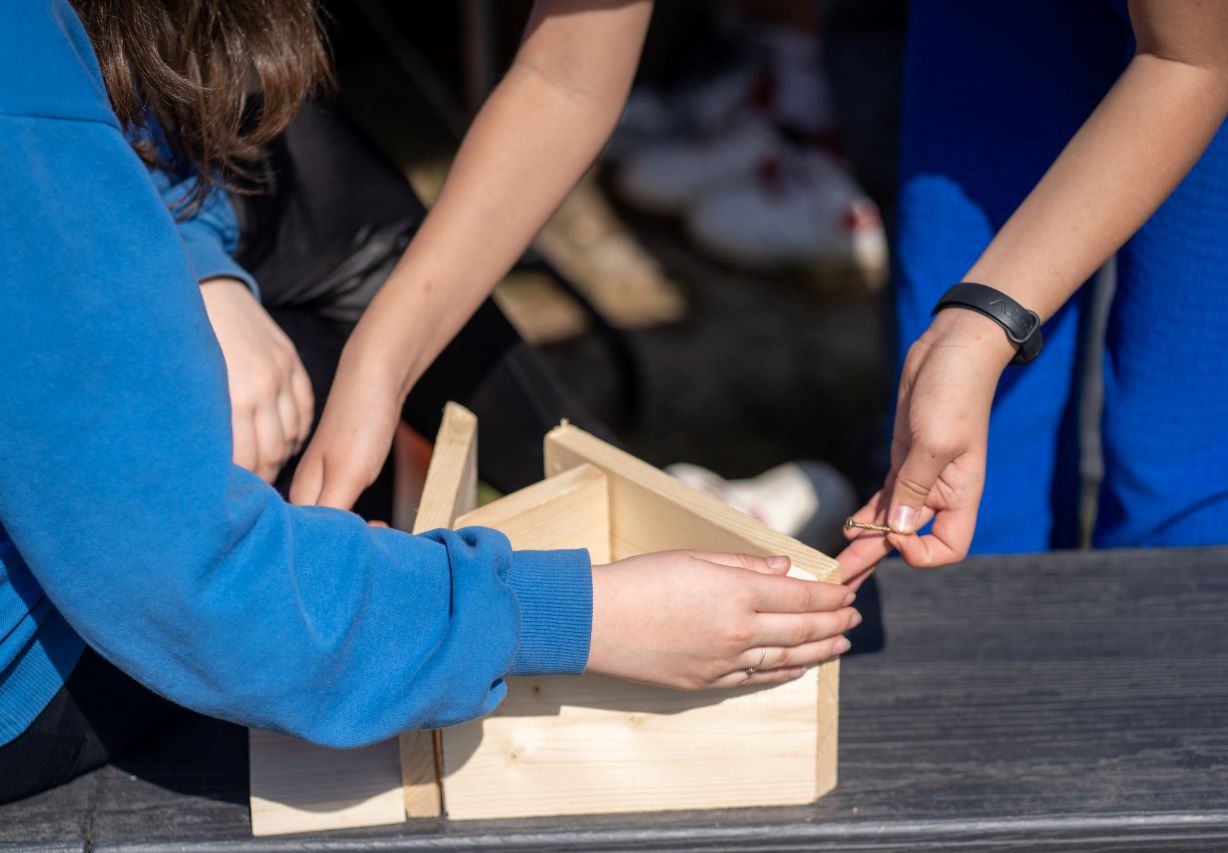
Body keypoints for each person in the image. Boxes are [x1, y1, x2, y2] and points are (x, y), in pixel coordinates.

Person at [0, 0, 857, 803]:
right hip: (53, 679)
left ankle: (610, 517)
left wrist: (244, 293)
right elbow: (202, 595)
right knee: (318, 477)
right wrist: (582, 615)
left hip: (140, 584)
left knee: (316, 283)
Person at [840, 0, 1228, 583]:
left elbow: (1196, 60)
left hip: (1215, 32)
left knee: (1188, 456)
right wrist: (966, 338)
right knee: (953, 441)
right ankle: (975, 625)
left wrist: (979, 323)